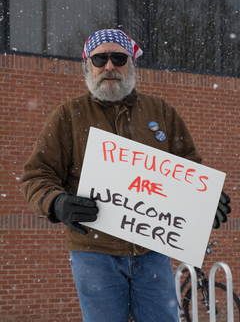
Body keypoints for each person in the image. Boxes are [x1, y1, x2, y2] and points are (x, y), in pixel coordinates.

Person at [20, 29, 231, 322]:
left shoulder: (160, 111)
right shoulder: (68, 115)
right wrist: (55, 202)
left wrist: (205, 199)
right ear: (87, 66)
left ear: (131, 65)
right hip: (93, 252)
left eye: (118, 58)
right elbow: (36, 175)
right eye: (100, 59)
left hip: (152, 249)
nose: (109, 66)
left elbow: (189, 168)